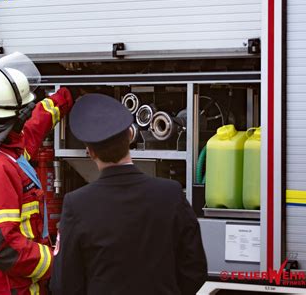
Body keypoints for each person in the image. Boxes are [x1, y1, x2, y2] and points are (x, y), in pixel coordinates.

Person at [50, 93, 208, 295]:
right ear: (130, 138)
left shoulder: (77, 204)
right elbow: (195, 269)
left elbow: (64, 285)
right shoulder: (171, 194)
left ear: (90, 152)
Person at [0, 53, 73, 295]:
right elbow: (4, 248)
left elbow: (30, 133)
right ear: (15, 115)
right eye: (24, 110)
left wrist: (64, 98)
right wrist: (59, 263)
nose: (28, 114)